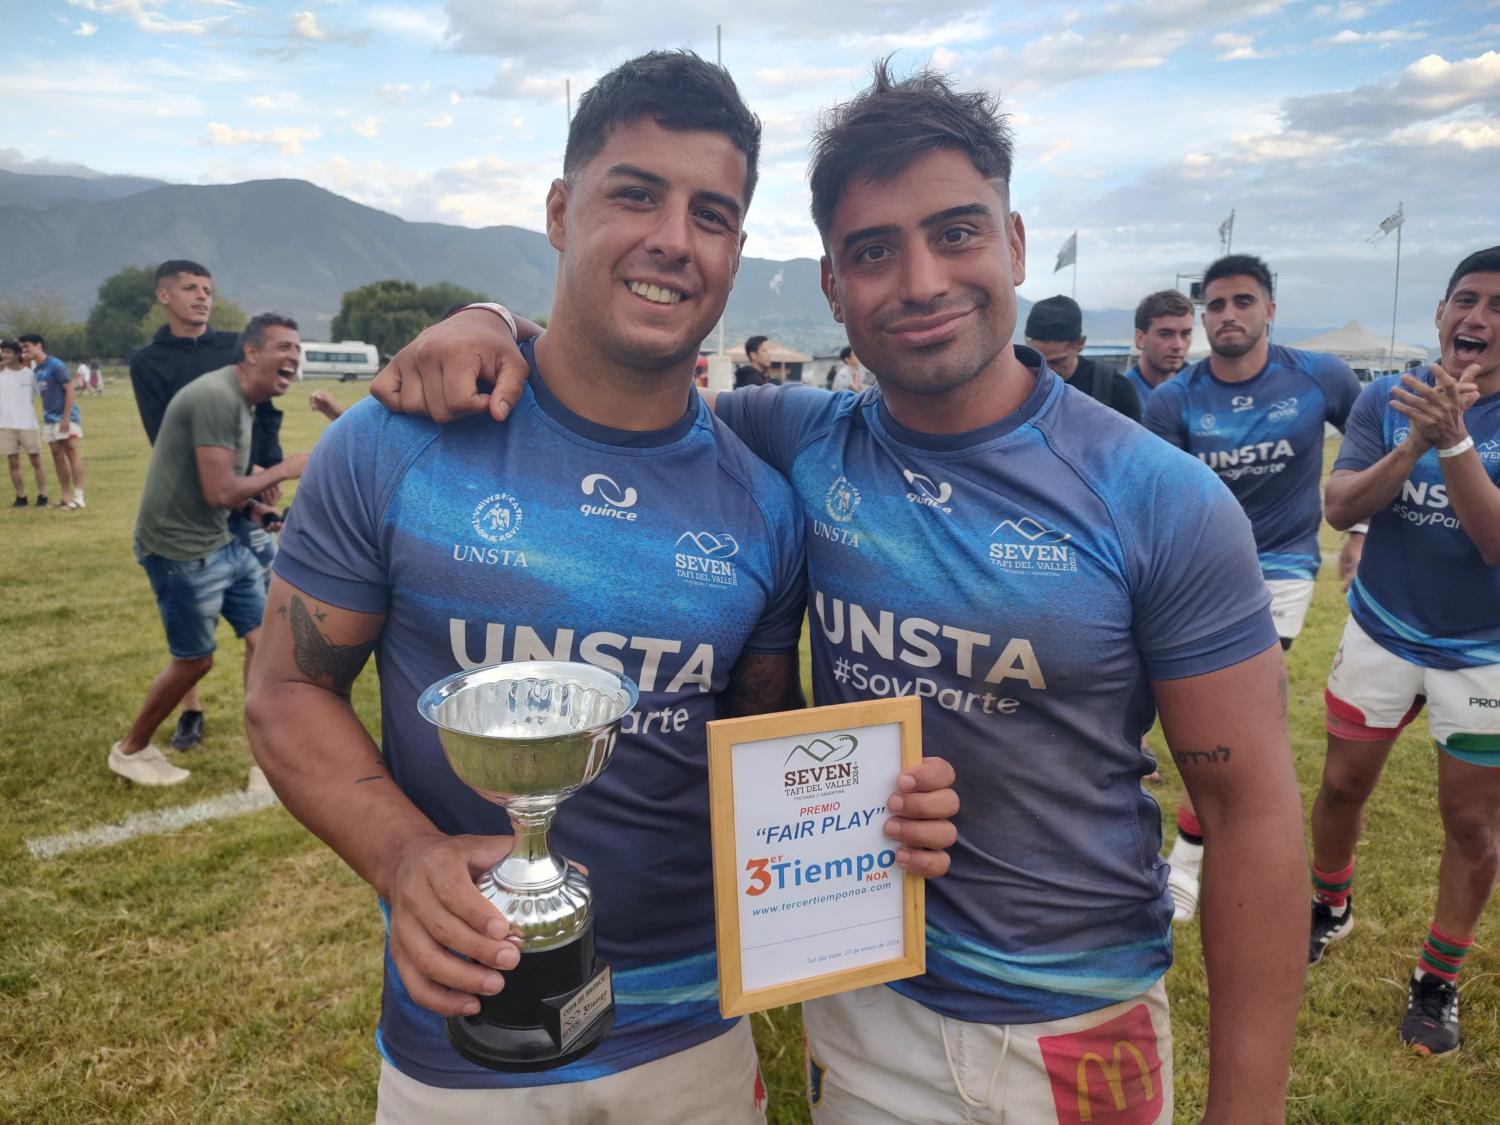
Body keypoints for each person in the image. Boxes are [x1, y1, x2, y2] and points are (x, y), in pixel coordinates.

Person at [371, 61, 1309, 1124]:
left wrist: (1251, 1106)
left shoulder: (1159, 499)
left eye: (956, 233)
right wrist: (490, 320)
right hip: (858, 994)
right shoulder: (791, 441)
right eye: (873, 251)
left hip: (1071, 1021)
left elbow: (1252, 812)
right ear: (831, 285)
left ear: (1013, 241)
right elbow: (618, 383)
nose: (919, 282)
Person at [244, 51, 956, 1124]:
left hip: (693, 1038)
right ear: (561, 210)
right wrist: (405, 859)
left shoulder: (763, 505)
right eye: (636, 193)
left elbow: (754, 751)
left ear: (735, 252)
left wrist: (871, 818)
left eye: (711, 213)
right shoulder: (397, 442)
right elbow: (286, 693)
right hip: (464, 1036)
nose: (674, 237)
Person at [1308, 246, 1500, 1057]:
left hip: (1483, 650)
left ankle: (1437, 977)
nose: (1478, 320)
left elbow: (1494, 544)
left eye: (1498, 308)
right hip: (1381, 627)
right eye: (1466, 300)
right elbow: (1340, 504)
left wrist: (1452, 442)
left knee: (1470, 820)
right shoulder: (1388, 398)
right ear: (1439, 312)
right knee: (1343, 785)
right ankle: (1330, 903)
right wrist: (1414, 441)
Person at [1143, 254, 1362, 923]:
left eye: (1242, 301)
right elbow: (1160, 499)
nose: (1228, 315)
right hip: (1198, 569)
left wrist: (1364, 530)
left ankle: (1185, 858)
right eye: (1215, 305)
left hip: (1284, 572)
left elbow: (1372, 441)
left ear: (1270, 308)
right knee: (1174, 709)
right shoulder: (1173, 400)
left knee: (1230, 710)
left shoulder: (1319, 374)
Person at [110, 314, 307, 788]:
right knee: (195, 661)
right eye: (283, 346)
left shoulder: (242, 402)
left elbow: (225, 494)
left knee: (265, 642)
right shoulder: (217, 398)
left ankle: (266, 760)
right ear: (251, 352)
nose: (293, 356)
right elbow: (218, 490)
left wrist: (259, 512)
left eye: (298, 350)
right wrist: (284, 470)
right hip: (180, 552)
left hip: (222, 541)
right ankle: (131, 749)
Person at [129, 259, 287, 751]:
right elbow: (161, 433)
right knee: (192, 633)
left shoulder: (232, 347)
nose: (202, 297)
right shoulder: (148, 361)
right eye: (191, 289)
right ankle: (190, 712)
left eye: (207, 289)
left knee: (260, 624)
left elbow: (265, 410)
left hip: (246, 491)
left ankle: (258, 723)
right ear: (164, 297)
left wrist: (266, 471)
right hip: (204, 495)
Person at [1023, 294, 1141, 421]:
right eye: (1038, 361)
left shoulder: (1114, 389)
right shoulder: (1019, 384)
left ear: (1080, 343)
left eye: (1057, 362)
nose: (1047, 371)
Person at [20, 334, 85, 509]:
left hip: (65, 416)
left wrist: (66, 417)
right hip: (49, 418)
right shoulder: (37, 370)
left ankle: (79, 496)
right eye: (22, 348)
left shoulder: (56, 365)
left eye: (26, 346)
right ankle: (66, 496)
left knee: (71, 452)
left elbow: (70, 391)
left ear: (38, 345)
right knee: (57, 456)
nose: (24, 351)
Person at [1124, 289, 1194, 405]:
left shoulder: (1202, 390)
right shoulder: (1120, 397)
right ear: (1141, 338)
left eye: (1185, 334)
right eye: (1165, 334)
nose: (1178, 345)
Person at [1, 338, 47, 507]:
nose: (4, 355)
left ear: (17, 354)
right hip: (6, 426)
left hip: (28, 424)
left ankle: (43, 495)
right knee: (13, 462)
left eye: (8, 352)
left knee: (36, 461)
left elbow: (34, 397)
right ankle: (21, 496)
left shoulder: (29, 374)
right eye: (2, 352)